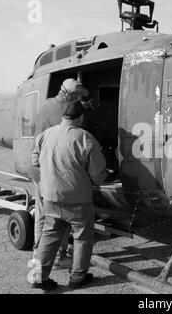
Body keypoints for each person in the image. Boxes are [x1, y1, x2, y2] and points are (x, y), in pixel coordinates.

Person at [31, 100, 107, 290]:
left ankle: (38, 277)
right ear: (80, 117)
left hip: (50, 197)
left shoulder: (44, 135)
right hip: (77, 200)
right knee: (82, 237)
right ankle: (78, 277)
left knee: (49, 236)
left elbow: (34, 164)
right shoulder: (85, 138)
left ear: (63, 116)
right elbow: (98, 175)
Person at [30, 78, 90, 269]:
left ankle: (38, 261)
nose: (80, 100)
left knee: (43, 216)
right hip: (52, 170)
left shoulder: (47, 104)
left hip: (39, 165)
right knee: (57, 219)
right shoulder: (65, 113)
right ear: (70, 96)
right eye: (78, 97)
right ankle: (57, 259)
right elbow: (70, 136)